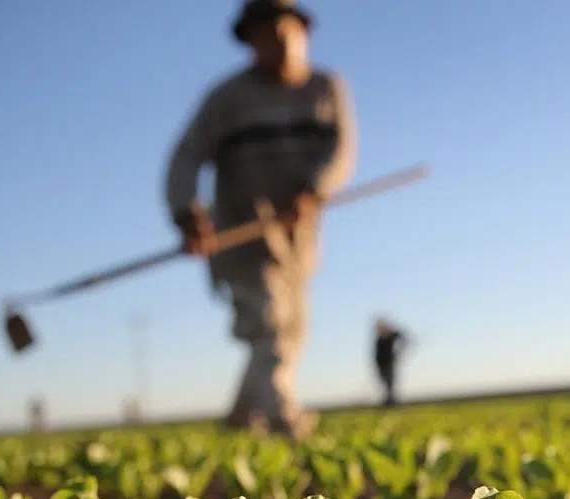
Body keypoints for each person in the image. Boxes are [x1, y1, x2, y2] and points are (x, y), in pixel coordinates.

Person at [163, 0, 357, 440]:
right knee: (268, 320)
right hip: (240, 232)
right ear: (250, 42)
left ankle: (239, 418)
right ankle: (283, 417)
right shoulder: (226, 99)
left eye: (285, 32)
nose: (278, 43)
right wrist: (185, 213)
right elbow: (185, 157)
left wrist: (313, 188)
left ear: (303, 32)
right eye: (265, 35)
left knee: (291, 330)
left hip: (297, 236)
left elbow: (340, 150)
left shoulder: (326, 88)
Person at [373, 318, 410, 406]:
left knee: (390, 384)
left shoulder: (391, 335)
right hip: (380, 365)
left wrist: (399, 352)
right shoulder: (379, 339)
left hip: (390, 364)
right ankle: (389, 401)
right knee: (385, 384)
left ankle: (391, 402)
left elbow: (404, 338)